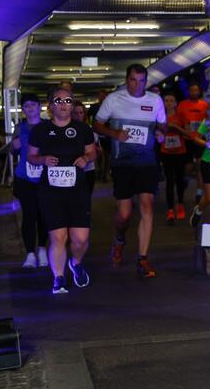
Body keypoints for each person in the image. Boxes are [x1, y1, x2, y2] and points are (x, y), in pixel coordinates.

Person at [93, 64, 167, 278]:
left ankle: (142, 259)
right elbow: (97, 125)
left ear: (146, 81)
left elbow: (162, 125)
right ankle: (119, 239)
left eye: (142, 81)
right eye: (133, 80)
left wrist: (161, 134)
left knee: (147, 205)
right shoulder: (114, 99)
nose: (137, 85)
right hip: (122, 163)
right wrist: (114, 133)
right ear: (127, 79)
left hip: (147, 162)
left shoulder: (154, 101)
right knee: (124, 215)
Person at [26, 87, 97, 294]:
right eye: (58, 101)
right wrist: (42, 160)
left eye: (68, 101)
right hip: (51, 191)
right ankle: (58, 277)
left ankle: (75, 263)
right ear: (50, 106)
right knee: (58, 238)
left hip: (78, 191)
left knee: (81, 239)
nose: (64, 104)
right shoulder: (39, 130)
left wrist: (86, 158)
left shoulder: (83, 129)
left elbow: (92, 152)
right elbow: (31, 157)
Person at [11, 93, 48, 268]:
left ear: (39, 107)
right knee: (29, 214)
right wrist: (14, 146)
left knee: (43, 214)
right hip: (24, 177)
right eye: (26, 105)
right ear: (23, 109)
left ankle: (42, 249)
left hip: (44, 177)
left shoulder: (48, 126)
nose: (30, 108)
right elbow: (12, 152)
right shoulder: (19, 128)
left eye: (33, 104)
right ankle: (30, 254)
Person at [161, 91, 191, 222]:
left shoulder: (181, 116)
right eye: (166, 100)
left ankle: (180, 204)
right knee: (169, 181)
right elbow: (156, 131)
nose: (168, 103)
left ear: (175, 103)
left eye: (171, 100)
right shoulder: (160, 116)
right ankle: (170, 210)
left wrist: (175, 128)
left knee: (179, 179)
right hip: (166, 152)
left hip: (180, 152)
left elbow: (189, 134)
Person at [177, 82, 209, 201]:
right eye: (192, 90)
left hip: (200, 139)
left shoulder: (204, 105)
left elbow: (209, 121)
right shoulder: (182, 104)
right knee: (189, 166)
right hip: (187, 139)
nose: (194, 92)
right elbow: (178, 120)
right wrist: (183, 127)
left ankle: (199, 192)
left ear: (199, 91)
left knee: (201, 166)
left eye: (196, 90)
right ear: (188, 91)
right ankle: (186, 177)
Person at [189, 118, 210, 227]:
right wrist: (208, 144)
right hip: (208, 161)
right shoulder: (209, 120)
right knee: (209, 197)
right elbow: (196, 138)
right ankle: (198, 210)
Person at [72, 101, 99, 198]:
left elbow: (97, 150)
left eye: (81, 112)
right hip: (72, 171)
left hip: (88, 170)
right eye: (75, 113)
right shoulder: (66, 131)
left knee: (86, 200)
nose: (79, 115)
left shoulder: (90, 130)